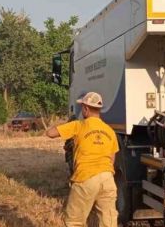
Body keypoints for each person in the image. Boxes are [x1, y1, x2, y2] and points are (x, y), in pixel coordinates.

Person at [45, 92, 119, 227]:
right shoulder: (110, 131)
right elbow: (112, 158)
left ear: (86, 109)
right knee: (109, 223)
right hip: (108, 179)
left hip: (86, 178)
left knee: (74, 222)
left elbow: (50, 133)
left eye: (82, 108)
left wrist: (66, 124)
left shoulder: (78, 125)